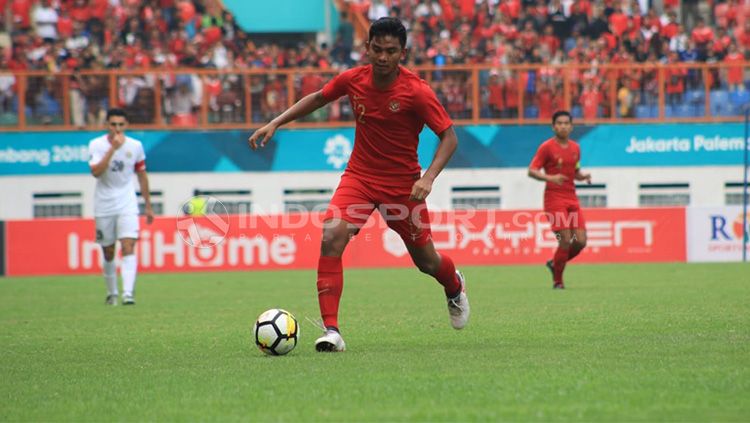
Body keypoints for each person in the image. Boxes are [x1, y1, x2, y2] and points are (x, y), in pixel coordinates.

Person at [248, 17, 469, 352]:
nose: (382, 57)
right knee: (332, 236)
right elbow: (318, 97)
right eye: (376, 49)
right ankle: (332, 331)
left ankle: (453, 286)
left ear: (402, 53)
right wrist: (275, 123)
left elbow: (449, 137)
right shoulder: (354, 79)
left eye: (390, 51)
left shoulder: (417, 91)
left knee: (427, 262)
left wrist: (428, 177)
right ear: (367, 48)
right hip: (360, 178)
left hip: (403, 187)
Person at [88, 108, 154, 305]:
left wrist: (148, 205)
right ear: (107, 125)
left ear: (126, 125)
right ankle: (112, 293)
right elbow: (96, 172)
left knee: (128, 245)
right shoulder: (97, 145)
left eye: (120, 125)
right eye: (113, 124)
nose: (117, 128)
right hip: (103, 204)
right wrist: (112, 150)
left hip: (127, 202)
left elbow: (142, 175)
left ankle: (128, 293)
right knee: (108, 250)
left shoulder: (135, 146)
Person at [528, 110, 591, 289]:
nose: (563, 126)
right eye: (559, 123)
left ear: (571, 126)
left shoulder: (575, 148)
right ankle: (558, 281)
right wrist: (551, 178)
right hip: (554, 199)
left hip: (572, 198)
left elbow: (575, 171)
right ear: (553, 126)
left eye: (566, 123)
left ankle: (555, 262)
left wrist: (582, 176)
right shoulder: (546, 147)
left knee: (580, 241)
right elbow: (531, 171)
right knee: (564, 239)